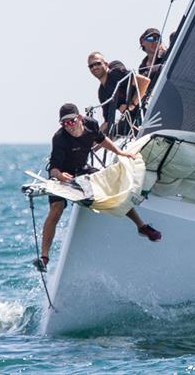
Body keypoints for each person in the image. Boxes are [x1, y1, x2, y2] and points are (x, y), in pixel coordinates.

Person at [34, 103, 161, 272]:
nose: (68, 126)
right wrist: (60, 176)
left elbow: (102, 140)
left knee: (112, 189)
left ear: (79, 118)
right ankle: (44, 257)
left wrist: (120, 153)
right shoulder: (59, 138)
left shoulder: (91, 124)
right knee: (56, 208)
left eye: (71, 122)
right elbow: (54, 168)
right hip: (62, 176)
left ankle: (141, 226)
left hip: (82, 170)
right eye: (64, 123)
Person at [88, 52, 148, 136]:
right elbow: (107, 122)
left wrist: (132, 104)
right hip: (133, 119)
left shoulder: (115, 73)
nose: (94, 67)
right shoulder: (102, 92)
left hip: (147, 109)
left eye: (97, 63)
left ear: (106, 64)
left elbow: (144, 81)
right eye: (91, 66)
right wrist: (93, 138)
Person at [138, 28, 167, 97]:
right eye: (151, 38)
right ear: (142, 42)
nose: (155, 42)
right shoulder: (142, 68)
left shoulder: (167, 55)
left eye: (158, 39)